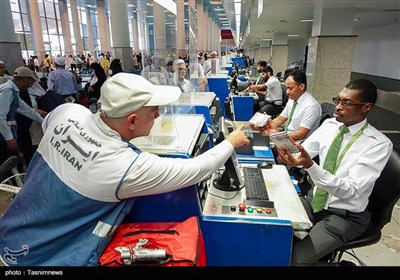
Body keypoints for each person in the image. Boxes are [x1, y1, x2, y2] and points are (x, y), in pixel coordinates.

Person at [0, 73, 250, 266]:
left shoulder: (68, 112)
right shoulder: (123, 167)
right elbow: (197, 169)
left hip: (9, 233)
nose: (159, 115)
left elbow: (47, 124)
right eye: (154, 112)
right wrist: (231, 143)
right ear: (131, 121)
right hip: (38, 258)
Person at [276, 79, 393, 266]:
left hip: (345, 216)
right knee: (268, 230)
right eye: (337, 100)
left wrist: (310, 166)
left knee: (294, 261)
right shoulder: (330, 125)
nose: (338, 107)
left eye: (346, 103)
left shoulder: (378, 144)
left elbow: (350, 190)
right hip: (314, 201)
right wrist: (282, 145)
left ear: (366, 107)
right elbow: (302, 153)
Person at [253, 69, 321, 143]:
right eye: (287, 88)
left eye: (290, 88)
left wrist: (277, 137)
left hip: (299, 144)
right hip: (287, 138)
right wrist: (265, 125)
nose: (287, 92)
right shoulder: (292, 99)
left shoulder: (311, 106)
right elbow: (280, 119)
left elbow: (301, 134)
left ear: (301, 86)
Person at [0, 66, 44, 173]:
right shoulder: (8, 91)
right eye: (31, 83)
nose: (30, 86)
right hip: (3, 137)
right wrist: (9, 138)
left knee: (14, 163)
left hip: (5, 135)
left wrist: (44, 121)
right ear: (25, 80)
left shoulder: (12, 90)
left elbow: (26, 110)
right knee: (10, 164)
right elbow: (1, 116)